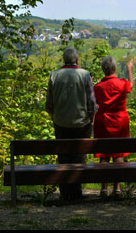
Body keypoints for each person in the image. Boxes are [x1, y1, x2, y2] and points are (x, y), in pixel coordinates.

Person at [45, 46, 98, 201]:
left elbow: (49, 105)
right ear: (77, 59)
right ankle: (76, 192)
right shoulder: (85, 75)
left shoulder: (54, 75)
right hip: (82, 123)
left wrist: (55, 117)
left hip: (61, 123)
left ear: (64, 59)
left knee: (63, 157)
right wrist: (91, 120)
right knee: (79, 158)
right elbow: (92, 104)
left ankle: (64, 192)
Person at [93, 56, 134, 197]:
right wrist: (129, 69)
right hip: (120, 121)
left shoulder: (97, 87)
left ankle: (104, 189)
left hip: (103, 121)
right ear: (115, 69)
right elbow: (131, 85)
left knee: (104, 155)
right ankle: (117, 188)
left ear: (103, 70)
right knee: (119, 153)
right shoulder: (122, 84)